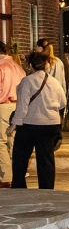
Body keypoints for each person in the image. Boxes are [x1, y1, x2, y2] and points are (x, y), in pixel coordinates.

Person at [7, 49, 67, 189]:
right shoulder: (54, 82)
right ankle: (47, 190)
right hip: (51, 125)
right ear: (45, 65)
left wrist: (14, 125)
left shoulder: (27, 81)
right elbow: (62, 103)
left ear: (30, 65)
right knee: (46, 160)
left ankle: (19, 188)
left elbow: (22, 106)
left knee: (20, 158)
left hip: (30, 124)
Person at [0, 45, 22, 185]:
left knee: (1, 142)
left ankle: (6, 176)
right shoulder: (17, 67)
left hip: (3, 105)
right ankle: (18, 173)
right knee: (13, 141)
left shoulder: (1, 67)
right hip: (17, 105)